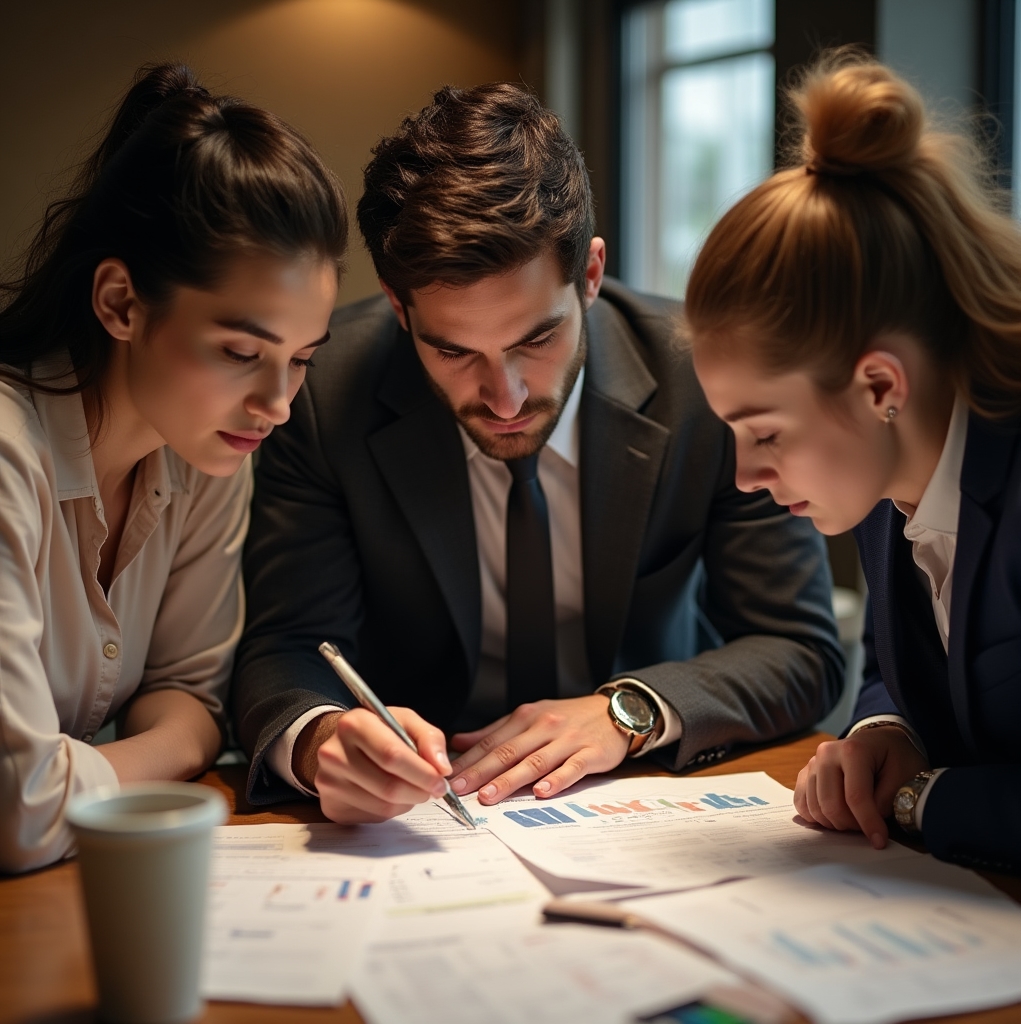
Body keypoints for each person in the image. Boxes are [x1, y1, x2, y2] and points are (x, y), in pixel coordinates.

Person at [233, 82, 843, 823]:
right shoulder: (323, 393)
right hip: (424, 815)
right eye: (453, 350)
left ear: (589, 276)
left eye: (536, 339)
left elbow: (799, 648)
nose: (506, 397)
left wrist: (630, 711)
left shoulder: (703, 380)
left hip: (646, 801)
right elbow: (288, 648)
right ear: (400, 309)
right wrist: (320, 739)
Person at [0, 63, 347, 872]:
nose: (277, 404)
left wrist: (83, 773)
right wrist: (163, 752)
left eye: (300, 360)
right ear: (120, 301)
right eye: (240, 352)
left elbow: (192, 701)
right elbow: (19, 814)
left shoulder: (204, 452)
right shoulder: (11, 456)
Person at [685, 52, 1021, 873]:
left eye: (765, 434)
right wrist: (884, 732)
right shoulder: (886, 474)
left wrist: (919, 797)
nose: (745, 478)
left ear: (879, 385)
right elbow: (897, 662)